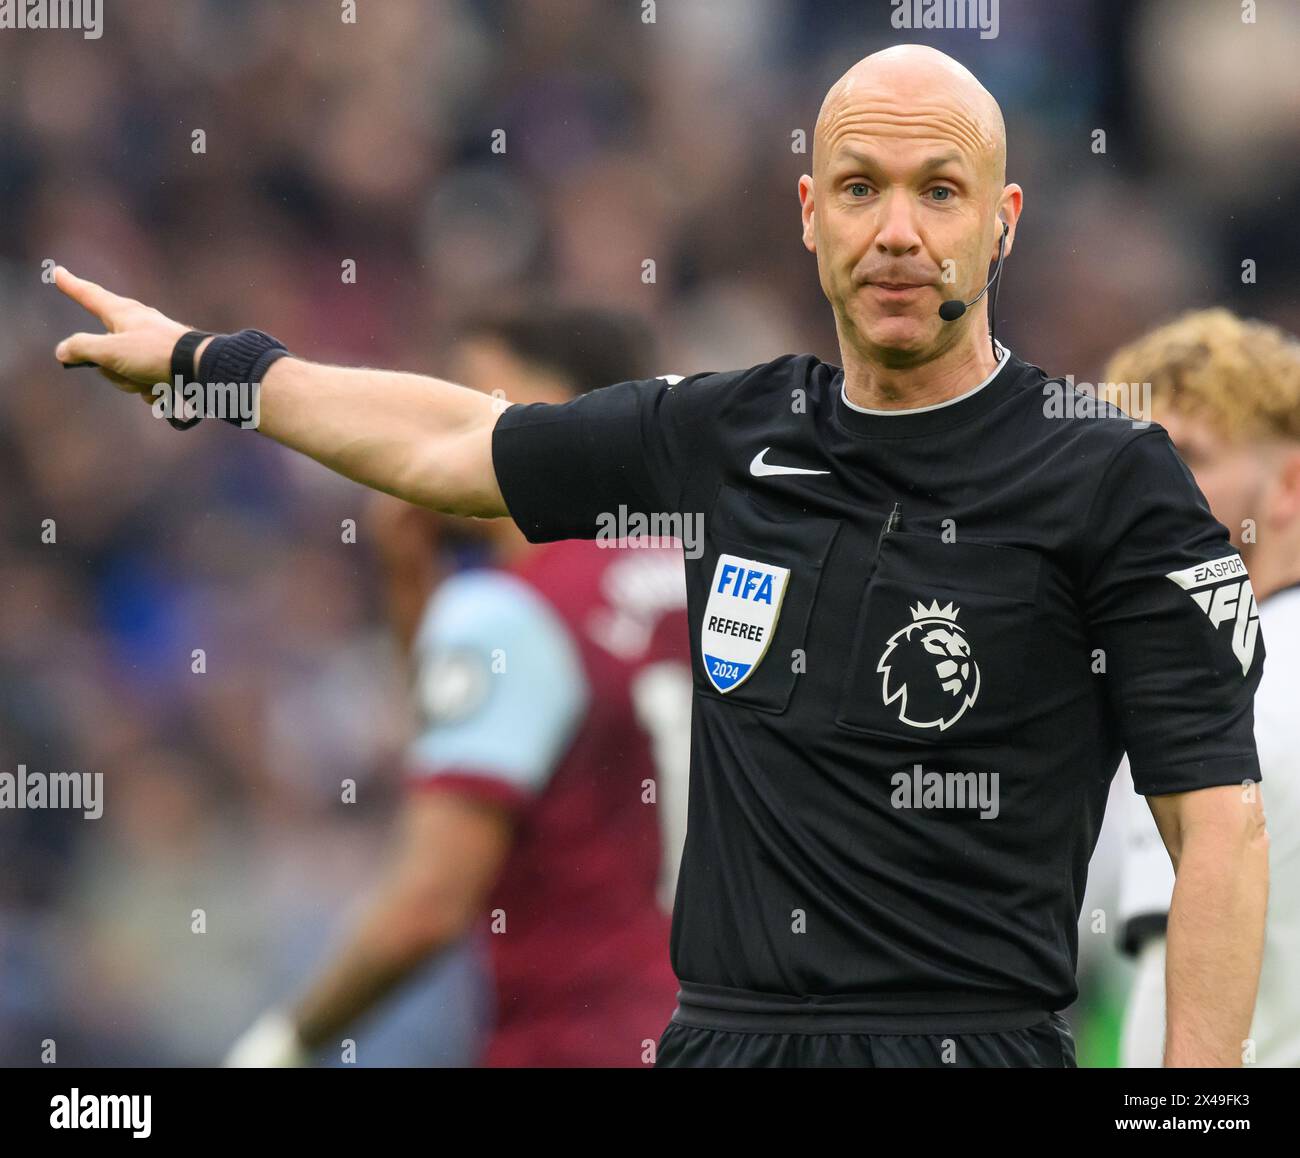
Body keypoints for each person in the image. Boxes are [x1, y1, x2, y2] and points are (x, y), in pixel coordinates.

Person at [52, 45, 1267, 1069]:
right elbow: (456, 440)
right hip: (717, 1043)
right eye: (859, 188)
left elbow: (1214, 827)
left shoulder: (1109, 479)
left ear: (1002, 223)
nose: (897, 232)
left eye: (939, 191)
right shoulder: (723, 434)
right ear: (808, 213)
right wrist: (212, 367)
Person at [224, 306, 693, 1067]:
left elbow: (429, 905)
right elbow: (492, 747)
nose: (440, 428)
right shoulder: (712, 577)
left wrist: (281, 1044)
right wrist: (411, 587)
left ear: (574, 419)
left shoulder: (512, 613)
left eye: (474, 397)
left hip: (574, 1040)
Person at [1105, 310, 1300, 1068]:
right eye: (1124, 463)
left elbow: (1175, 1012)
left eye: (1183, 456)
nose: (1141, 493)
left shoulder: (1227, 694)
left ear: (1289, 485)